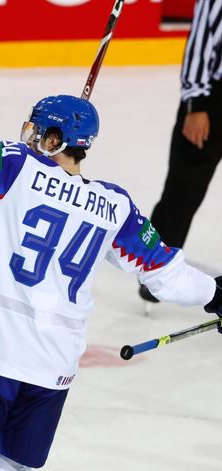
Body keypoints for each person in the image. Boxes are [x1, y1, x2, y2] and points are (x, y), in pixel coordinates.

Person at [0, 14, 222, 471]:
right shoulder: (114, 206)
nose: (29, 136)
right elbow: (167, 275)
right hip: (53, 368)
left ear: (54, 137)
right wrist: (218, 294)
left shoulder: (16, 169)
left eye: (37, 129)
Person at [139, 0, 222, 304]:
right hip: (213, 104)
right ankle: (155, 274)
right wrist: (196, 105)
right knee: (183, 190)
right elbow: (201, 43)